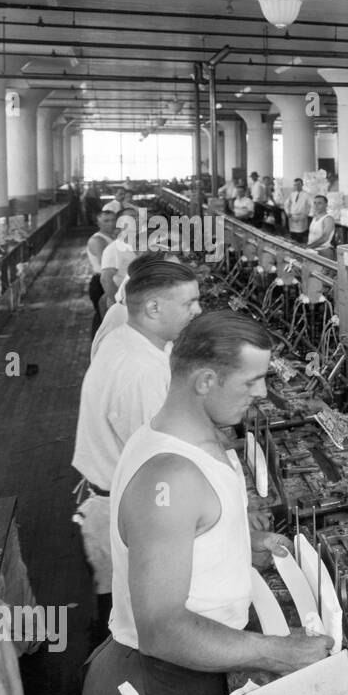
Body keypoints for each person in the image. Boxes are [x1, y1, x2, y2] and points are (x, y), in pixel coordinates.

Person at [80, 311, 331, 695]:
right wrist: (279, 653)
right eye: (252, 381)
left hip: (181, 681)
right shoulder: (171, 476)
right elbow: (164, 628)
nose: (262, 394)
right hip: (153, 693)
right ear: (205, 380)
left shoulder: (185, 442)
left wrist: (240, 545)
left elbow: (184, 542)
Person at [72, 260, 202, 613]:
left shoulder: (130, 341)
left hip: (114, 497)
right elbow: (162, 466)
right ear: (154, 307)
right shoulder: (140, 371)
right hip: (125, 513)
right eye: (189, 303)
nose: (198, 310)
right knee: (131, 619)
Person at [97, 211, 140, 312]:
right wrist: (120, 304)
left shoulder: (143, 245)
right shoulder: (114, 249)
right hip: (124, 304)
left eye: (137, 217)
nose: (137, 220)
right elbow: (105, 279)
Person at [86, 219, 116, 334]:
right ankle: (98, 347)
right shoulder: (98, 240)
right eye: (106, 221)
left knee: (104, 316)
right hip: (101, 281)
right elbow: (104, 264)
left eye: (112, 220)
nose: (111, 223)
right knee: (103, 317)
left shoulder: (111, 238)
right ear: (98, 223)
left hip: (106, 279)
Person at [284, 178, 311, 242]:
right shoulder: (292, 194)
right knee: (293, 235)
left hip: (301, 217)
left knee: (300, 235)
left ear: (302, 185)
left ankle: (299, 248)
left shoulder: (306, 195)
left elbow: (312, 205)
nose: (297, 186)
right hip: (292, 217)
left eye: (298, 184)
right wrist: (287, 212)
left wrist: (306, 214)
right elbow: (286, 204)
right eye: (295, 185)